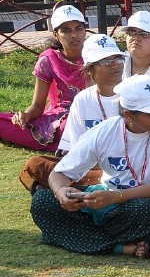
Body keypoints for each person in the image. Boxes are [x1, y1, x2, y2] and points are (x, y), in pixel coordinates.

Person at [30, 75, 150, 258]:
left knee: (143, 211)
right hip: (109, 200)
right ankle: (122, 246)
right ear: (129, 115)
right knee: (42, 201)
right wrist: (61, 193)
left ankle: (75, 237)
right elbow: (59, 174)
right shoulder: (105, 131)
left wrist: (115, 197)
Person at [18, 34, 122, 193]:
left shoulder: (134, 93)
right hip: (91, 166)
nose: (114, 65)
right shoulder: (83, 99)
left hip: (127, 166)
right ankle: (79, 185)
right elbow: (75, 152)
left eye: (118, 59)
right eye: (105, 61)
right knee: (35, 164)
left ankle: (72, 186)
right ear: (89, 71)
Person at [0, 5, 87, 151]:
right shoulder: (48, 60)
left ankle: (62, 143)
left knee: (75, 124)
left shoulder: (96, 55)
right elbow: (38, 106)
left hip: (91, 111)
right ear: (56, 35)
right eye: (66, 30)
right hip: (60, 116)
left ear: (85, 31)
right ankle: (64, 143)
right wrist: (25, 115)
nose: (74, 35)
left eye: (78, 28)